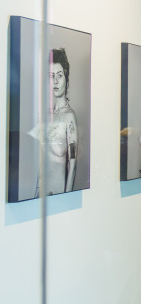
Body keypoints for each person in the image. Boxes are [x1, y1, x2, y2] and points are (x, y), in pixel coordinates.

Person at [43, 48, 79, 195]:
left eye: (60, 75)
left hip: (59, 198)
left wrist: (67, 197)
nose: (56, 81)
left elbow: (73, 163)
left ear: (66, 78)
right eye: (52, 76)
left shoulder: (69, 117)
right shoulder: (47, 114)